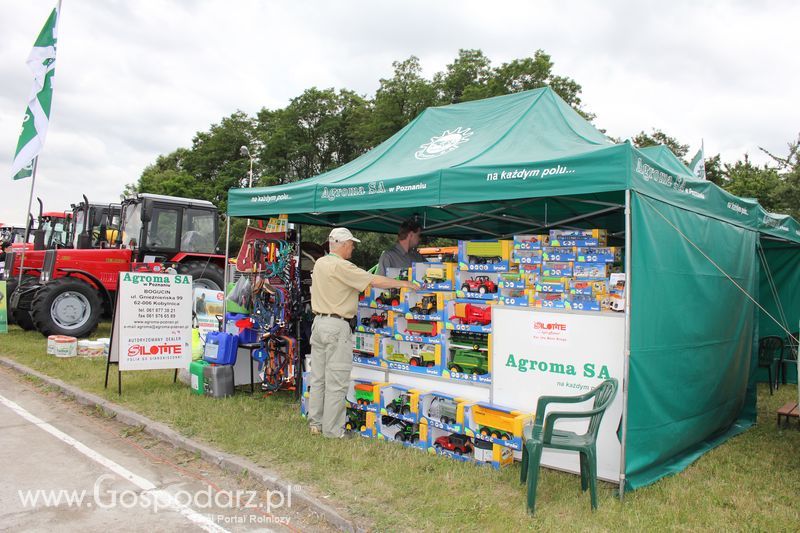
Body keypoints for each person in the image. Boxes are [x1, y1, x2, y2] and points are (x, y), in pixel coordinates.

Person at [309, 227, 415, 438]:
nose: (353, 247)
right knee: (337, 382)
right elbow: (375, 280)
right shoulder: (343, 266)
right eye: (351, 244)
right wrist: (404, 283)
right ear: (342, 245)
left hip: (318, 324)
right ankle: (333, 432)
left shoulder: (320, 263)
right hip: (337, 327)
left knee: (318, 378)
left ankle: (315, 424)